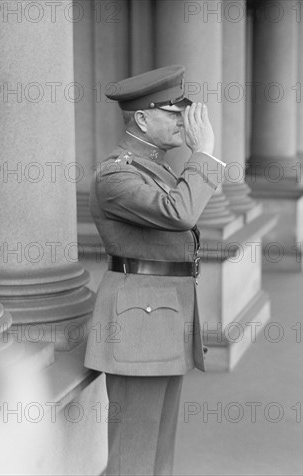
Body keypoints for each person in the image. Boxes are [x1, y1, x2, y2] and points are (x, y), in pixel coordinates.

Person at [84, 65, 226, 476]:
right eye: (173, 112)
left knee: (159, 456)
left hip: (162, 321)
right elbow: (180, 212)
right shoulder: (116, 174)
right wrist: (204, 154)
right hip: (138, 328)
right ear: (142, 119)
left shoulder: (157, 168)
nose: (185, 120)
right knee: (132, 458)